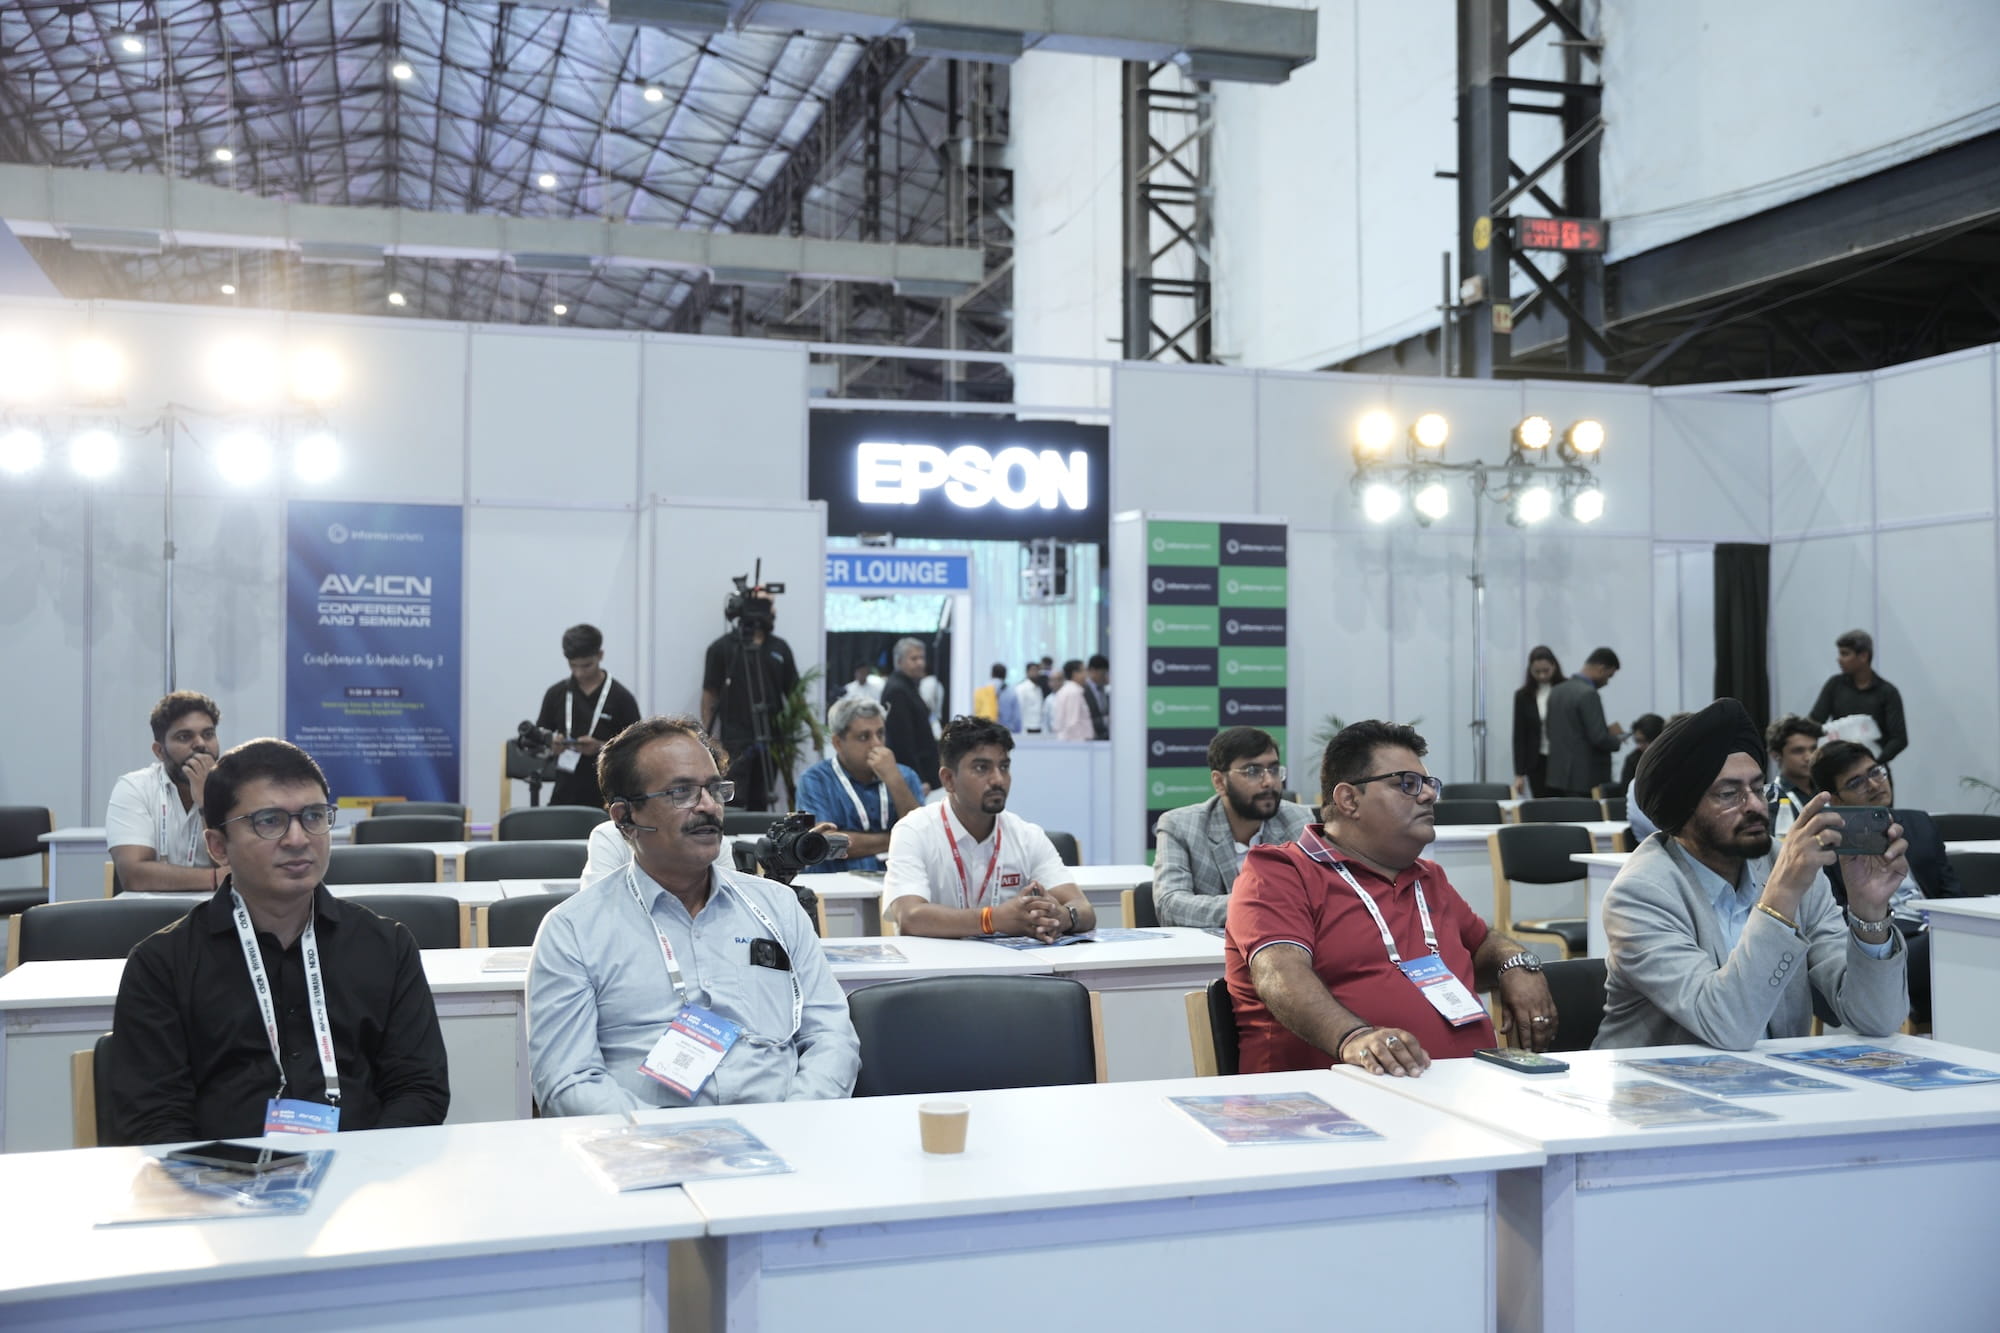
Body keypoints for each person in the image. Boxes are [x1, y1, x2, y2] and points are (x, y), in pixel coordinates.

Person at [106, 739, 449, 1145]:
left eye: (314, 816)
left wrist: (364, 1169)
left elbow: (419, 1089)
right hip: (221, 1191)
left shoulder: (386, 945)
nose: (298, 838)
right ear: (218, 847)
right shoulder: (162, 964)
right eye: (269, 821)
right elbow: (153, 1119)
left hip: (364, 1187)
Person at [528, 716, 860, 1112]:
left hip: (787, 1137)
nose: (707, 806)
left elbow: (831, 1035)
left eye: (715, 789)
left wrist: (794, 1118)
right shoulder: (573, 930)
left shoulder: (777, 907)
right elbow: (568, 1079)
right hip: (646, 1154)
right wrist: (670, 1143)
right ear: (625, 818)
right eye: (681, 792)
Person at [1228, 721, 1557, 1077]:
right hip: (1329, 1104)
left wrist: (1517, 963)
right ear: (1349, 799)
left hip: (1458, 1092)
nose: (1429, 795)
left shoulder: (1427, 877)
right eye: (1407, 784)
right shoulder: (1281, 871)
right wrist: (1353, 1038)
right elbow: (1279, 972)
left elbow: (1483, 943)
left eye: (1429, 784)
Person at [1594, 699, 1908, 1050]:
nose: (1756, 807)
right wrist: (1781, 894)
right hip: (1656, 1093)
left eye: (1759, 789)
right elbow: (1727, 1026)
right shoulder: (1640, 894)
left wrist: (1868, 913)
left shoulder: (1785, 863)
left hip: (1772, 1086)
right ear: (1683, 809)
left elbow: (1878, 1019)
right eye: (1730, 794)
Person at [883, 716, 1094, 941]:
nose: (998, 780)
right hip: (936, 971)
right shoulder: (914, 830)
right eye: (981, 768)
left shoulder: (1026, 835)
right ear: (948, 780)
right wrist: (991, 920)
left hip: (1011, 970)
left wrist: (1062, 916)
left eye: (1004, 767)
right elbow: (910, 917)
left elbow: (1084, 909)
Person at [1813, 739, 1961, 1024]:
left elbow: (1951, 889)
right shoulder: (1829, 845)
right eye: (1856, 782)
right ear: (1835, 799)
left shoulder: (1919, 823)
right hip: (1884, 943)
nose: (1873, 785)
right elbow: (1835, 919)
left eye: (1875, 772)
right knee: (1950, 949)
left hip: (1936, 931)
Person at [1153, 727, 1314, 929]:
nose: (1269, 782)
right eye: (1253, 772)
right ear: (1220, 782)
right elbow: (1170, 906)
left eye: (1273, 770)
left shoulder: (1297, 820)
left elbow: (1316, 897)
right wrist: (1253, 904)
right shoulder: (1181, 826)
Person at [106, 691, 224, 893]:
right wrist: (215, 877)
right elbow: (134, 876)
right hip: (151, 915)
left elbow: (238, 867)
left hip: (219, 913)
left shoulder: (238, 788)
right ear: (159, 751)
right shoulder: (135, 787)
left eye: (208, 734)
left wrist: (207, 800)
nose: (200, 744)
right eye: (184, 737)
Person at [793, 698, 925, 874]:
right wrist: (899, 839)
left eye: (880, 734)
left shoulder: (905, 776)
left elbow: (921, 837)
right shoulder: (815, 780)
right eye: (864, 737)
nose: (877, 744)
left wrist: (894, 780)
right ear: (838, 743)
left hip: (895, 884)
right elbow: (826, 843)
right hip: (835, 887)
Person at [701, 593, 800, 811]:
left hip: (772, 740)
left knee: (761, 800)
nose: (773, 612)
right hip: (734, 740)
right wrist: (709, 739)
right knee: (731, 800)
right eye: (768, 605)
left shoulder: (780, 648)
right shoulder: (722, 648)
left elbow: (795, 693)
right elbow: (710, 694)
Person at [537, 624, 642, 810]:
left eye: (586, 665)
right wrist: (552, 744)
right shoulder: (556, 694)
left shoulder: (620, 698)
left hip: (607, 797)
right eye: (573, 666)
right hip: (564, 793)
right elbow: (540, 739)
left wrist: (601, 747)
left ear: (600, 655)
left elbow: (636, 749)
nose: (579, 672)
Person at [1809, 629, 1907, 764]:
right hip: (1838, 767)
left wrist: (1874, 762)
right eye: (1840, 653)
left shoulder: (1887, 692)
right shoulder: (1835, 685)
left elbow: (1899, 739)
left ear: (1863, 656)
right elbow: (1815, 722)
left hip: (1874, 769)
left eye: (1845, 654)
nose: (1839, 659)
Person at [1544, 647, 1625, 797]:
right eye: (1609, 676)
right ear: (1601, 669)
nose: (1607, 682)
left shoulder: (1556, 691)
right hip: (1585, 778)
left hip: (1557, 777)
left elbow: (1551, 731)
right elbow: (1598, 738)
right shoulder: (1589, 694)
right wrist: (1617, 740)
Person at [878, 637, 940, 791]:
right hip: (909, 775)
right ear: (899, 662)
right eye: (914, 658)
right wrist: (917, 778)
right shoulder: (897, 690)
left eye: (922, 658)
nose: (920, 663)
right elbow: (902, 741)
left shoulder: (907, 686)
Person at [1509, 646, 1562, 799]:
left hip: (1562, 758)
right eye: (1537, 671)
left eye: (1546, 670)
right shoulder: (1523, 695)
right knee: (1541, 803)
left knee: (1563, 804)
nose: (1542, 675)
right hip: (1537, 761)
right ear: (1530, 670)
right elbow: (1519, 736)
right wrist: (1519, 774)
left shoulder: (1564, 689)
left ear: (1554, 666)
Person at [1764, 714, 1824, 835]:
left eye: (1813, 749)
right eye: (1798, 751)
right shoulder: (1771, 798)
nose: (1809, 757)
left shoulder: (1828, 789)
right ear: (1776, 755)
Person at [1047, 659, 1095, 742]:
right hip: (1077, 744)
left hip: (1072, 743)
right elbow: (1072, 724)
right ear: (1075, 673)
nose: (1086, 675)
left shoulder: (1068, 690)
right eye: (1084, 671)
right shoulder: (1073, 692)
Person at [1619, 713, 1664, 792]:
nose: (1640, 746)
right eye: (1637, 741)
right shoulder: (1632, 760)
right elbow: (1626, 791)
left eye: (1645, 741)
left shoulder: (1669, 758)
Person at [1010, 661, 1046, 734]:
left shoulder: (1038, 688)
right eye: (1033, 670)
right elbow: (1019, 710)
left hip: (1039, 727)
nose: (1036, 673)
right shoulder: (1021, 688)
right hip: (1027, 728)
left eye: (1037, 670)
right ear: (1027, 672)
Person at [1084, 654, 1111, 739]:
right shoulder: (1083, 690)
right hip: (1090, 737)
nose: (1105, 676)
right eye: (1103, 673)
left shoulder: (1104, 688)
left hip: (1104, 737)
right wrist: (1106, 720)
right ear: (1093, 671)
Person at [996, 664, 1023, 732]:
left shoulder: (981, 691)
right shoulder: (1011, 692)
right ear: (1005, 675)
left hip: (985, 734)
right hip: (1006, 732)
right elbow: (1017, 718)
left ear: (991, 674)